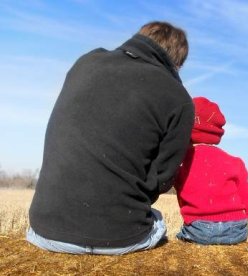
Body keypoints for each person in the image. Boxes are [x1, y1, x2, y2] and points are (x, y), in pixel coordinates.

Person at [27, 21, 194, 255]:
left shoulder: (86, 62)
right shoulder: (179, 99)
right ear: (177, 63)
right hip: (118, 237)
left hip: (42, 230)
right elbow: (162, 179)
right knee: (157, 221)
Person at [174, 97, 248, 245]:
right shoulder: (234, 162)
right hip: (237, 230)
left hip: (200, 230)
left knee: (177, 237)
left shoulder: (181, 161)